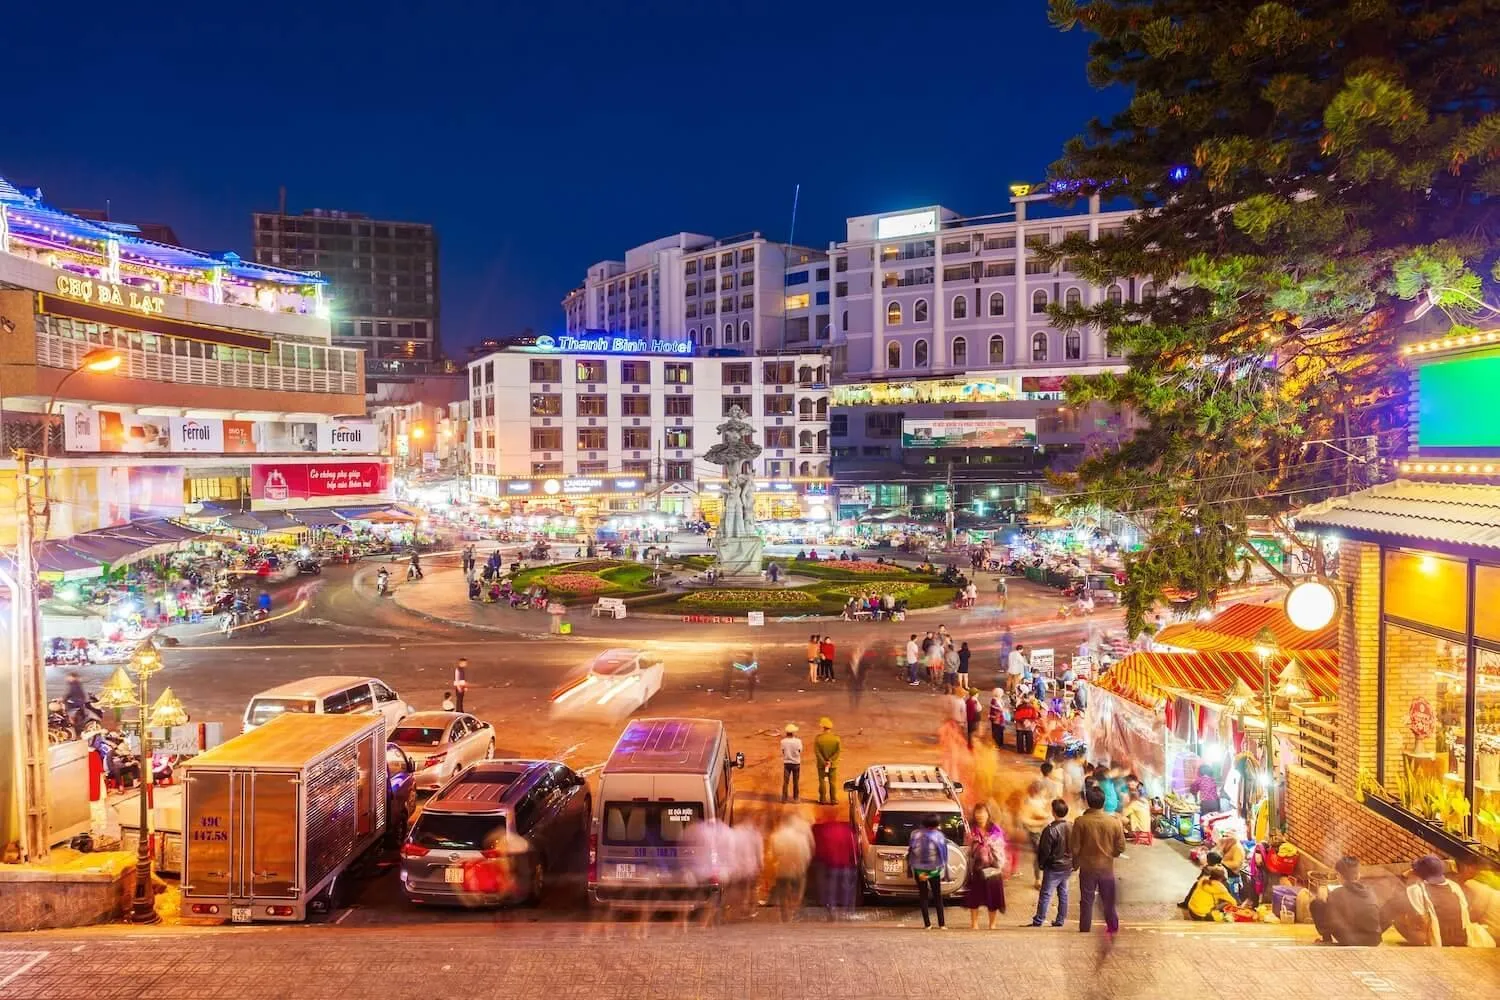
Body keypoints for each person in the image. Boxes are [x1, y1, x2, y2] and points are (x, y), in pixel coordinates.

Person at [1387, 854, 1478, 947]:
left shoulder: (1417, 889)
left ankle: (1424, 946)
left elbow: (1422, 921)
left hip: (1437, 942)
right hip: (1462, 940)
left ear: (1418, 873)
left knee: (1398, 917)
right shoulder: (1454, 886)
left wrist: (1404, 877)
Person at [1070, 785, 1126, 935]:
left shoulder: (1081, 822)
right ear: (1104, 801)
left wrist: (1075, 864)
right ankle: (1113, 928)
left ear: (1088, 802)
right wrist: (1110, 854)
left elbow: (1074, 848)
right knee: (1108, 901)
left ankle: (1084, 929)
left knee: (1086, 900)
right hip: (1107, 868)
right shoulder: (1114, 822)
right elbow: (1121, 847)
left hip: (1087, 868)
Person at [1309, 856, 1384, 946]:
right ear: (1358, 874)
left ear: (1339, 876)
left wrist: (1323, 896)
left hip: (1351, 940)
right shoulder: (1370, 891)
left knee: (1316, 904)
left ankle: (1326, 940)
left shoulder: (1337, 893)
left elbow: (1332, 921)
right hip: (1374, 940)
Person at [963, 804, 1007, 929]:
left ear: (988, 814)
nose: (979, 815)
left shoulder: (995, 830)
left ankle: (992, 924)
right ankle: (974, 923)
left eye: (982, 812)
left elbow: (1000, 848)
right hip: (977, 867)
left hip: (992, 867)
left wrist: (989, 843)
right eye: (977, 813)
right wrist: (974, 842)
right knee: (974, 896)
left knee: (993, 896)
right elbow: (968, 848)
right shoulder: (971, 830)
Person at [811, 805, 858, 919]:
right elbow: (853, 847)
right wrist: (853, 861)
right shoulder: (845, 830)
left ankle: (832, 911)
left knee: (831, 890)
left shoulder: (825, 830)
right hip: (846, 865)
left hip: (832, 865)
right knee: (846, 890)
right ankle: (848, 912)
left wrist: (820, 860)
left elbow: (821, 849)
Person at [1032, 798, 1073, 927]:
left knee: (1046, 894)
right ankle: (1060, 920)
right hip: (1067, 866)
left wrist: (1041, 864)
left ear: (1053, 812)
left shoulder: (1050, 830)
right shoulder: (1072, 826)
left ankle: (1039, 919)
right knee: (1064, 893)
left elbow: (1044, 851)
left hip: (1053, 867)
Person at [769, 811, 814, 922]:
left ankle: (785, 916)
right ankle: (794, 910)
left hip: (783, 869)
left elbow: (774, 855)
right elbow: (807, 855)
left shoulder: (776, 835)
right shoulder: (801, 837)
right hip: (798, 869)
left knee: (783, 893)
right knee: (797, 891)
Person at [907, 813, 950, 930]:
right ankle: (942, 924)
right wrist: (943, 867)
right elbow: (943, 853)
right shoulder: (939, 836)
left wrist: (914, 867)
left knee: (923, 896)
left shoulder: (916, 835)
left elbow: (911, 851)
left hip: (919, 870)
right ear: (936, 824)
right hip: (934, 870)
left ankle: (927, 924)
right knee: (937, 896)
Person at [1018, 781, 1052, 888]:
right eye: (1044, 790)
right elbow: (1024, 820)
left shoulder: (1040, 800)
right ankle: (1038, 879)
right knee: (1039, 856)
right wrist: (1042, 821)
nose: (1045, 792)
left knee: (1044, 855)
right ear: (1039, 791)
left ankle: (1042, 878)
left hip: (1042, 831)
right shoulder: (1028, 803)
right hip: (1034, 833)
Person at [814, 717, 841, 804]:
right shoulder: (836, 739)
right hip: (833, 765)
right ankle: (833, 800)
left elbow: (817, 752)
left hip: (821, 765)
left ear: (823, 727)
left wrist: (824, 762)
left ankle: (822, 799)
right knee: (832, 783)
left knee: (822, 781)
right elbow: (838, 752)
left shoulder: (818, 739)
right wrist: (830, 761)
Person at [780, 724, 803, 802]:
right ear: (793, 733)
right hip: (796, 763)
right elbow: (800, 751)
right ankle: (796, 798)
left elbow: (783, 751)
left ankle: (784, 798)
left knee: (785, 781)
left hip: (787, 763)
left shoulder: (783, 741)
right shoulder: (798, 741)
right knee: (795, 782)